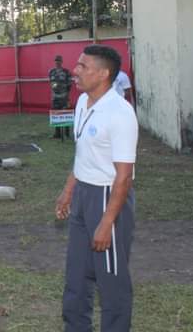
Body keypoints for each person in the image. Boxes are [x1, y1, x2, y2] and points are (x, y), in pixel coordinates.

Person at [55, 45, 138, 331]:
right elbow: (83, 153)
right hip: (83, 194)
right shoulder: (82, 102)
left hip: (107, 197)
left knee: (111, 280)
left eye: (83, 66)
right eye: (77, 65)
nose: (75, 71)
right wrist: (69, 190)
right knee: (77, 276)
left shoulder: (120, 112)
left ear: (103, 74)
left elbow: (124, 176)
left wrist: (107, 222)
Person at [49, 54, 72, 139]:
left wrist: (64, 91)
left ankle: (67, 134)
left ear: (62, 62)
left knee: (66, 114)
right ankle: (57, 134)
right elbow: (51, 83)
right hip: (55, 97)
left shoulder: (66, 72)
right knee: (56, 115)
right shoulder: (51, 72)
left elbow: (69, 84)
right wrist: (55, 87)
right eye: (56, 61)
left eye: (59, 61)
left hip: (64, 96)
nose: (57, 62)